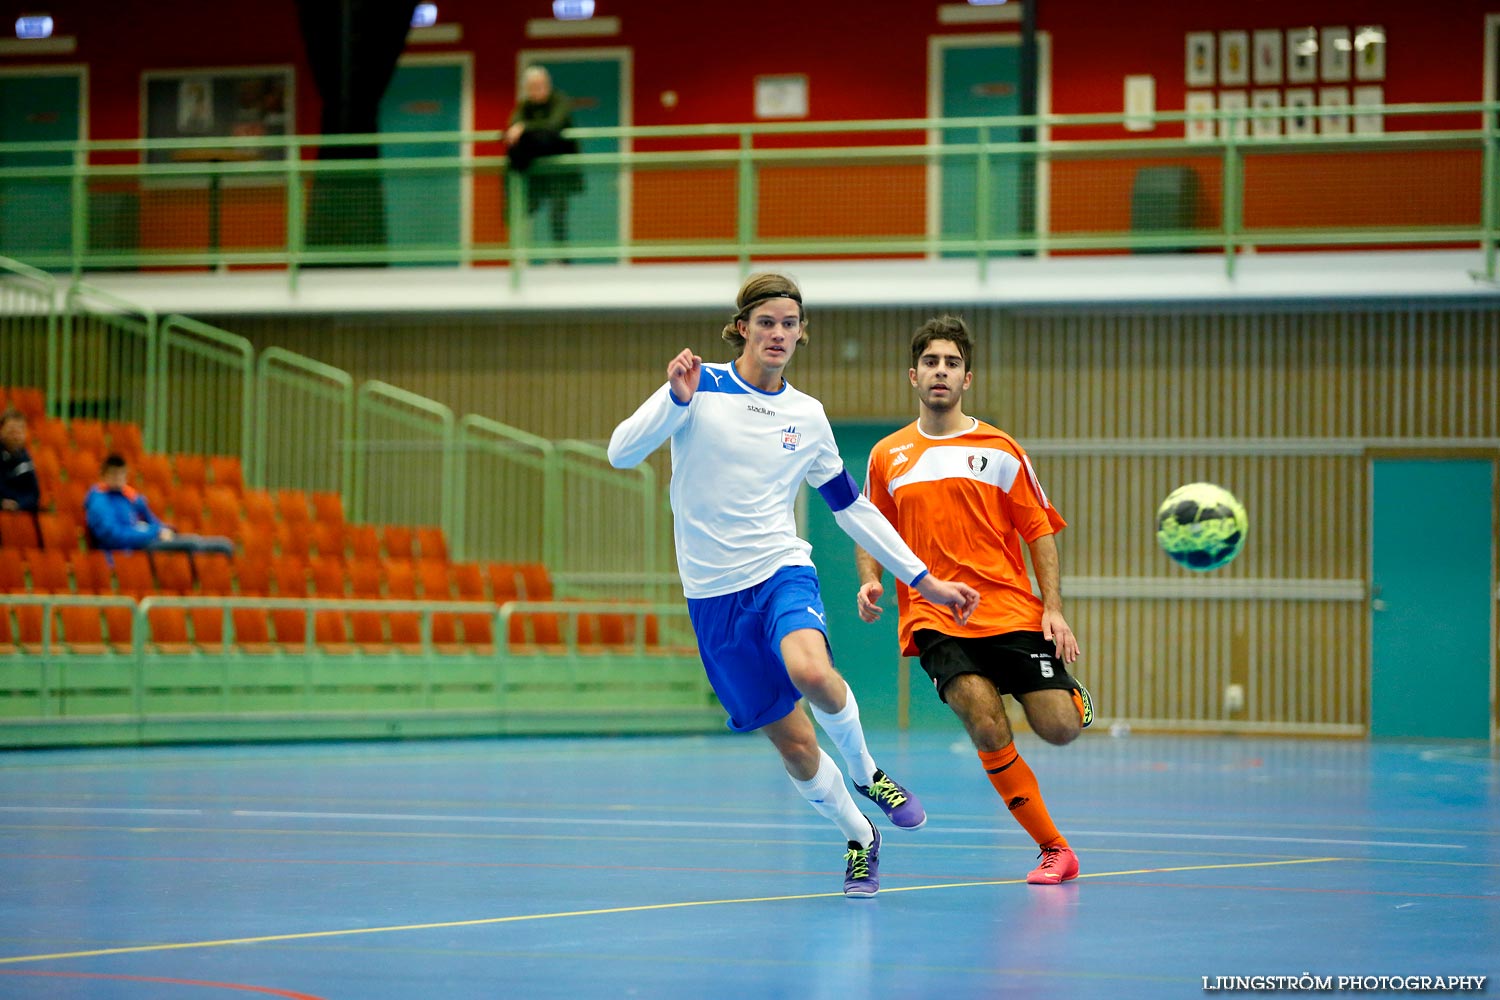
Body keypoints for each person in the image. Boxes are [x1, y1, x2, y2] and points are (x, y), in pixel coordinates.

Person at [607, 273, 981, 898]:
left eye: (790, 323)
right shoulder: (698, 389)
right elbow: (620, 453)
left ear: (802, 333)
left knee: (811, 670)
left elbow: (851, 506)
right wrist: (672, 399)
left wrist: (924, 578)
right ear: (743, 328)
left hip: (780, 570)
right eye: (767, 322)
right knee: (797, 747)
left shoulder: (807, 416)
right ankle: (861, 836)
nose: (778, 333)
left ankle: (868, 773)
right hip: (712, 598)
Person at [855, 315, 1093, 886]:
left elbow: (1040, 530)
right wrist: (871, 579)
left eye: (952, 363)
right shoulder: (888, 456)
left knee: (1059, 728)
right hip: (937, 617)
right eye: (931, 362)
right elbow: (869, 527)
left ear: (968, 379)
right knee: (986, 723)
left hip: (1010, 610)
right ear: (913, 375)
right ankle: (1054, 849)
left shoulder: (1000, 449)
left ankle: (1070, 695)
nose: (941, 372)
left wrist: (1052, 607)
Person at [85, 454, 233, 555]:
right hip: (127, 550)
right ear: (103, 475)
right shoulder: (99, 501)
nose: (118, 479)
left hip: (144, 542)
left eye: (121, 474)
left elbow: (152, 520)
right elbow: (114, 537)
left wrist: (163, 529)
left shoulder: (130, 496)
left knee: (222, 545)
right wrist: (154, 533)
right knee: (191, 545)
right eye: (113, 474)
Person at [504, 66, 583, 251]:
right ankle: (520, 255)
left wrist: (525, 127)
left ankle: (561, 258)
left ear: (547, 85)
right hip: (533, 172)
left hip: (559, 170)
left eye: (540, 85)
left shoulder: (560, 101)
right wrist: (523, 128)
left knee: (558, 213)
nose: (537, 90)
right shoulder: (525, 106)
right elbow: (512, 126)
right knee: (523, 208)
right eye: (532, 86)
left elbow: (553, 125)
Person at [0, 409, 40, 514]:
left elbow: (33, 495)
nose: (15, 436)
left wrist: (18, 505)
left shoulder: (26, 460)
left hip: (19, 513)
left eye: (20, 431)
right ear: (1, 431)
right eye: (11, 431)